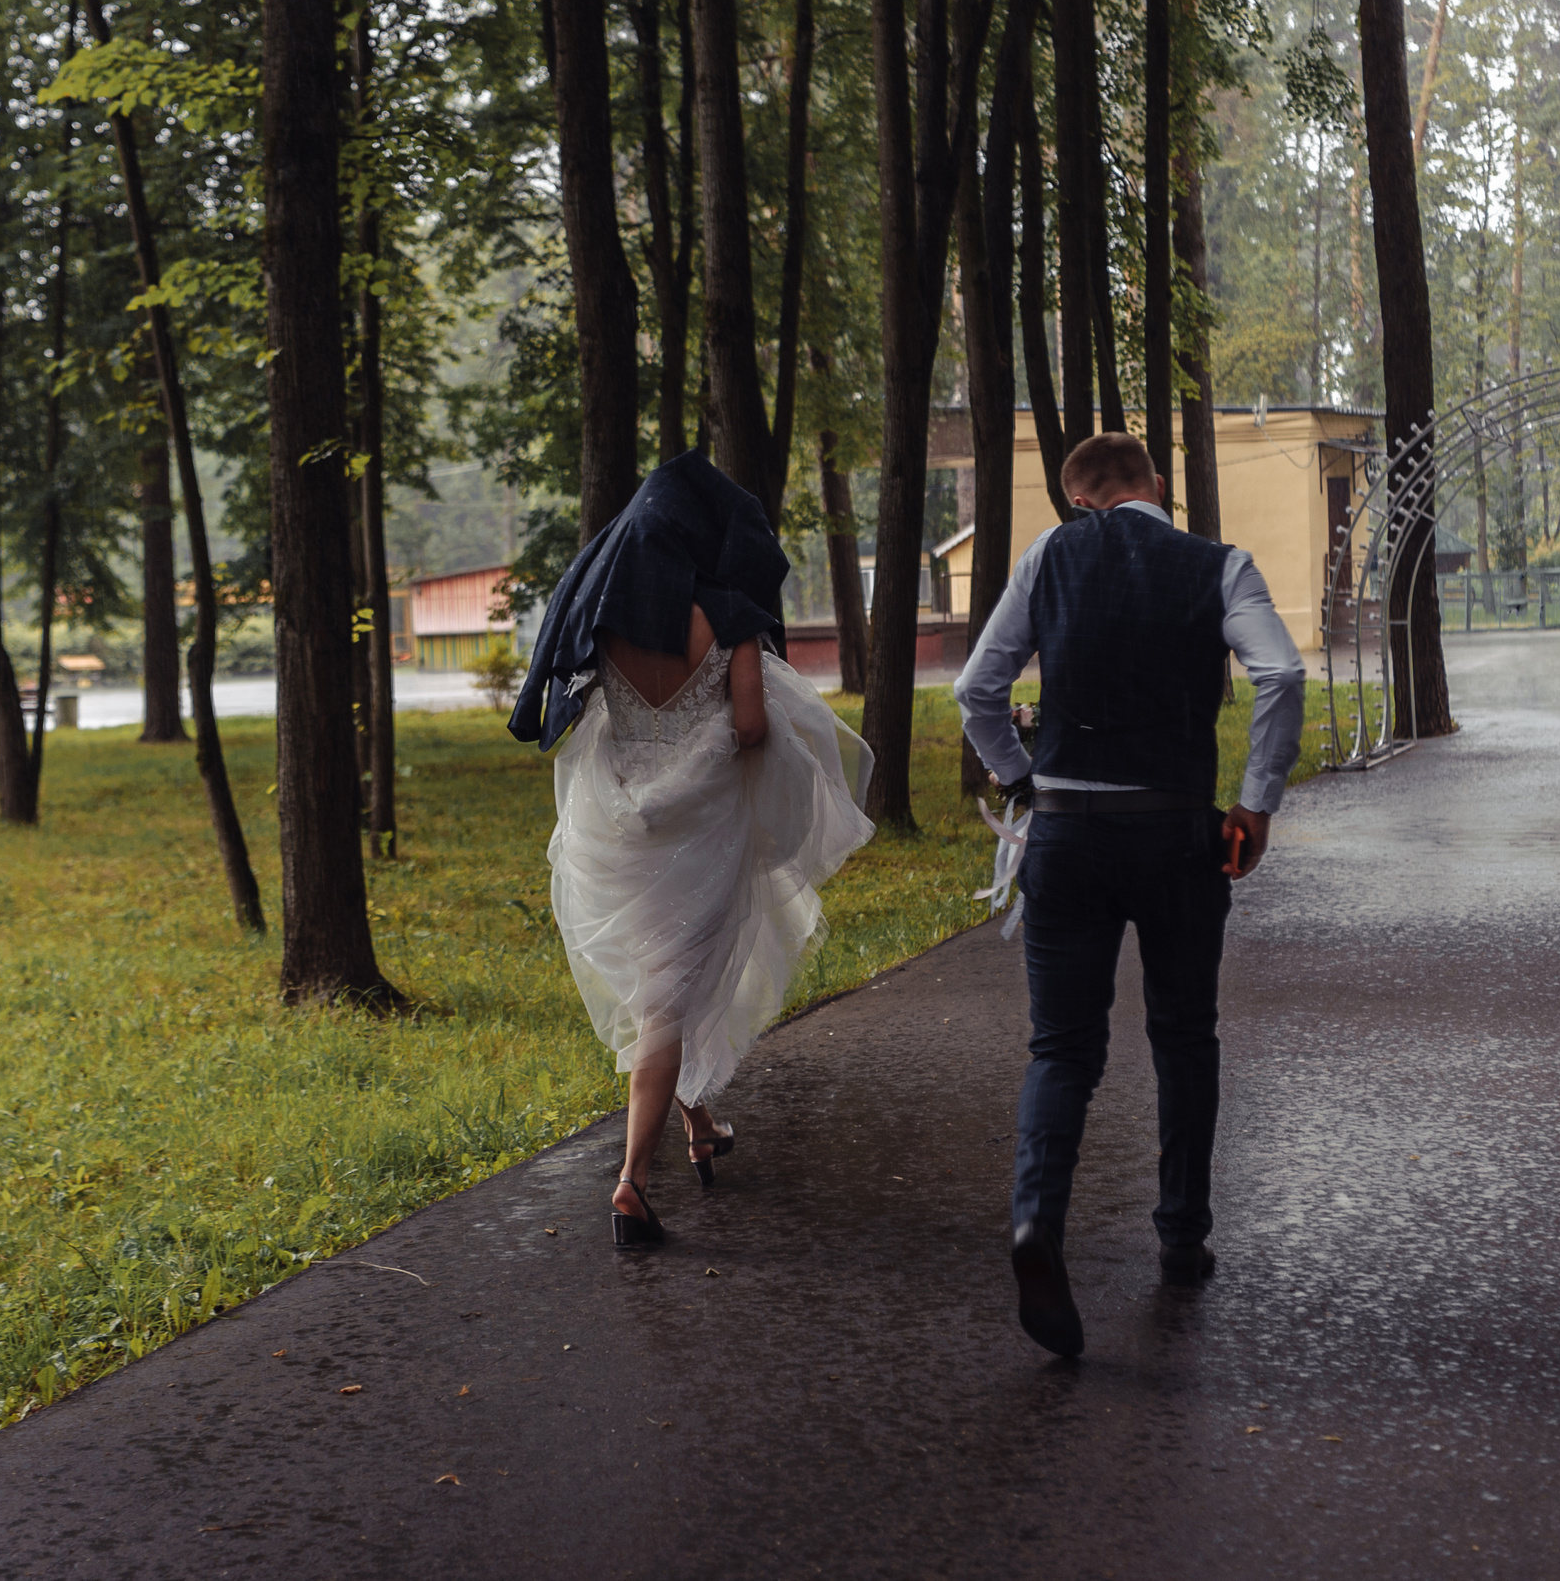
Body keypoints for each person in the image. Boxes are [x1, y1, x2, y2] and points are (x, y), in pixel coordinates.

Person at [953, 433, 1304, 1357]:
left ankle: (1038, 1223)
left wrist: (1024, 782)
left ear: (1079, 503)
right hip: (1180, 834)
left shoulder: (1050, 556)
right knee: (1184, 1034)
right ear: (1157, 486)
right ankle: (1182, 1238)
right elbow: (1283, 672)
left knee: (1062, 1047)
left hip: (1065, 837)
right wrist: (1255, 803)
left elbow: (977, 688)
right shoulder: (1218, 564)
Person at [509, 451, 874, 1251]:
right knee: (668, 1003)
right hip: (701, 836)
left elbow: (578, 712)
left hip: (621, 835)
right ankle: (632, 1182)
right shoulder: (730, 616)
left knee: (662, 989)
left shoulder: (602, 618)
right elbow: (748, 728)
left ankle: (699, 1125)